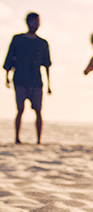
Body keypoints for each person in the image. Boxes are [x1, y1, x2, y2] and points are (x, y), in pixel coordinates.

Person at [3, 12, 52, 144]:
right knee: (20, 109)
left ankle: (38, 140)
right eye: (32, 22)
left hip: (36, 80)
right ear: (27, 22)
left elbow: (47, 64)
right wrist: (6, 77)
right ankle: (17, 138)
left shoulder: (43, 43)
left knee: (38, 109)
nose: (35, 25)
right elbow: (9, 58)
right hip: (19, 79)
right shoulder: (17, 39)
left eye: (37, 22)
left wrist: (49, 85)